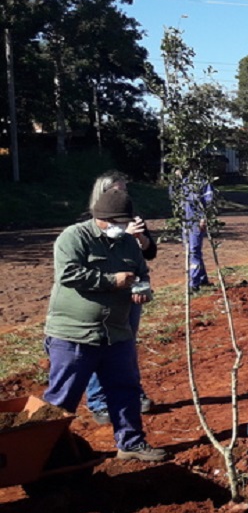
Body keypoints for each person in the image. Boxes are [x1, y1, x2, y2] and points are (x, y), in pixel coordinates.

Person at [43, 188, 167, 462]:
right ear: (103, 218)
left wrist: (143, 289)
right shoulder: (74, 237)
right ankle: (42, 453)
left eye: (125, 222)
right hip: (74, 335)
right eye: (118, 222)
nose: (122, 228)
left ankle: (132, 443)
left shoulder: (127, 244)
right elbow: (68, 273)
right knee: (62, 398)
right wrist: (112, 281)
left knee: (126, 389)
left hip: (116, 333)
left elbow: (142, 274)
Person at [83, 171, 156, 423]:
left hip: (129, 296)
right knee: (98, 346)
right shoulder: (88, 226)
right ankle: (98, 400)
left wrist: (138, 236)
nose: (122, 195)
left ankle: (132, 393)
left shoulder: (132, 218)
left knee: (125, 346)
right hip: (101, 298)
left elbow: (150, 253)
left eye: (124, 190)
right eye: (116, 191)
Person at [174, 166, 215, 291]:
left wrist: (204, 218)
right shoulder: (181, 182)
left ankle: (194, 284)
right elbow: (175, 199)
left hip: (196, 222)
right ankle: (202, 279)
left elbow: (209, 201)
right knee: (189, 250)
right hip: (185, 222)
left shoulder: (201, 181)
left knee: (193, 250)